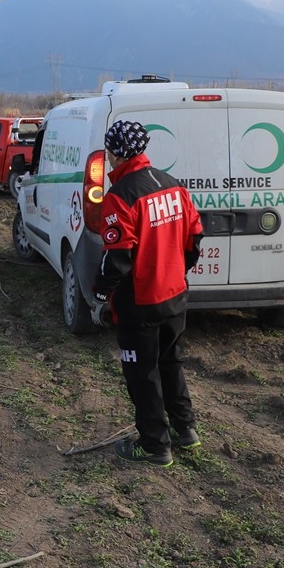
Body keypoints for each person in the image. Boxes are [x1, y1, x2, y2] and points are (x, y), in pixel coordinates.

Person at [90, 120, 203, 468]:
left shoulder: (121, 196)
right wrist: (173, 270)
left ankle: (154, 444)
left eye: (109, 151)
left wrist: (98, 294)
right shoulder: (173, 186)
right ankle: (186, 429)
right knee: (170, 362)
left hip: (140, 303)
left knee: (142, 374)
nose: (107, 158)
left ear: (119, 152)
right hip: (174, 297)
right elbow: (195, 239)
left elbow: (118, 258)